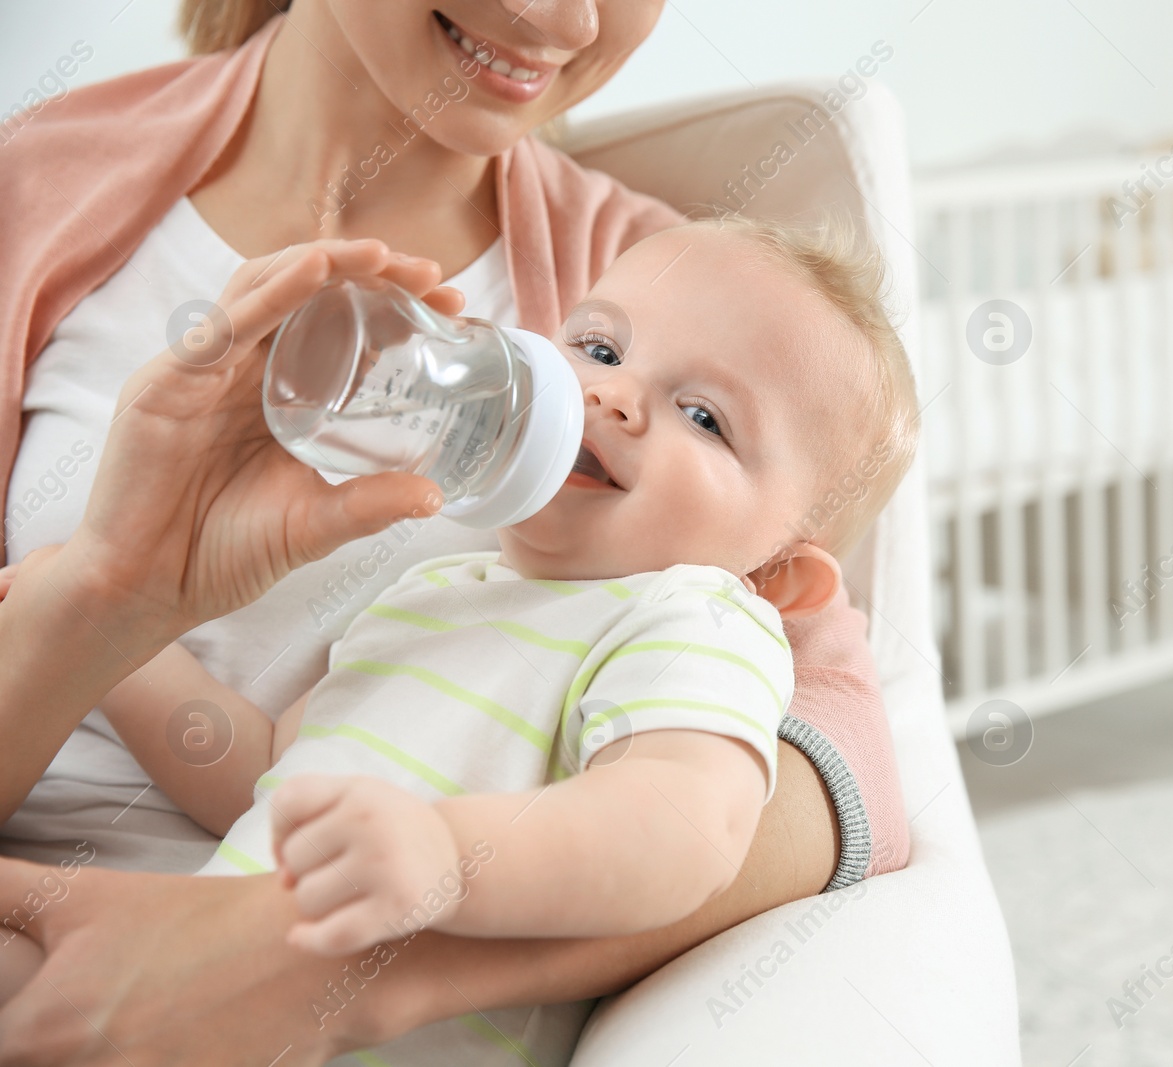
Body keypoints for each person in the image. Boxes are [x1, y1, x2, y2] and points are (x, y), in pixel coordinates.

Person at [0, 4, 909, 1063]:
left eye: (704, 418)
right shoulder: (42, 184)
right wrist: (103, 596)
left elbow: (807, 783)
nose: (565, 18)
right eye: (596, 348)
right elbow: (266, 764)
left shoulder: (668, 289)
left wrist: (337, 963)